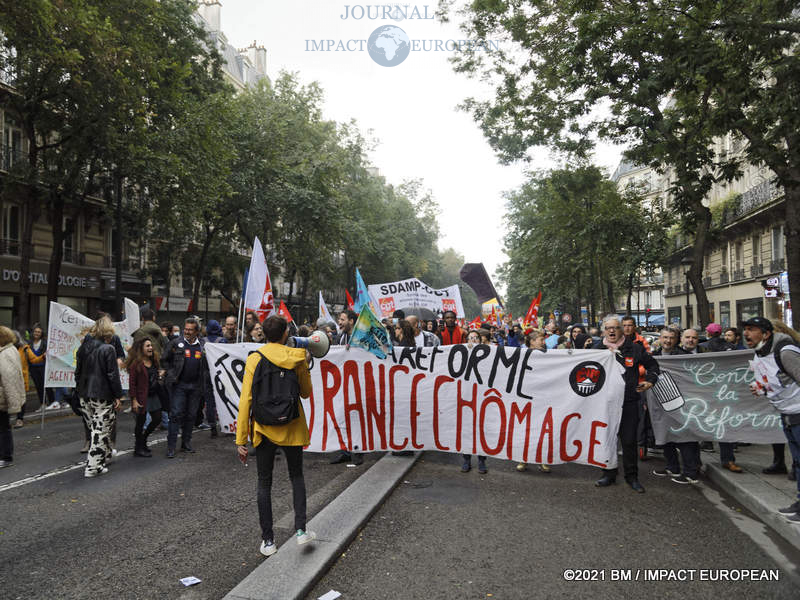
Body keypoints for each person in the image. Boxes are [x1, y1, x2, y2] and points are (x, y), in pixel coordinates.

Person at [236, 315, 316, 556]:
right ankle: (301, 530)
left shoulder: (254, 359)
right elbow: (306, 393)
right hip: (292, 427)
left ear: (265, 334)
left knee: (264, 482)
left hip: (263, 429)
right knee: (296, 476)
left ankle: (268, 541)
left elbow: (245, 401)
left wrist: (241, 439)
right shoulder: (297, 357)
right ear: (285, 334)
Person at [594, 314, 659, 493]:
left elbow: (653, 366)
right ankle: (608, 473)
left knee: (629, 441)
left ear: (622, 329)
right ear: (604, 331)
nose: (612, 331)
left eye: (616, 327)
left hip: (628, 403)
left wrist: (650, 381)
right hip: (605, 404)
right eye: (608, 328)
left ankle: (632, 477)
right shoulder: (597, 350)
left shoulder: (634, 349)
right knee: (607, 440)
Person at [744, 317, 800, 521]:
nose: (746, 334)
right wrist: (761, 388)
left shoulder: (785, 352)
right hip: (788, 413)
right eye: (746, 329)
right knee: (798, 462)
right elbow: (775, 380)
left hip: (798, 412)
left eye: (751, 330)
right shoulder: (760, 352)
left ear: (766, 334)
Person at [682, 328, 742, 472]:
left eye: (694, 338)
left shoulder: (706, 352)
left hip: (709, 395)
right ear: (682, 339)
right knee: (692, 431)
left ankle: (728, 460)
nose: (691, 340)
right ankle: (695, 462)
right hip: (689, 398)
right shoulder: (676, 354)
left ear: (699, 339)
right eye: (688, 337)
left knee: (722, 425)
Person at [650, 329, 701, 484]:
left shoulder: (684, 356)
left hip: (681, 403)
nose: (668, 341)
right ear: (660, 338)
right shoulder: (653, 356)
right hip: (660, 402)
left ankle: (690, 472)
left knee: (685, 438)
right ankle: (672, 467)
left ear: (677, 340)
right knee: (665, 435)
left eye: (672, 338)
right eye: (665, 337)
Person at [74, 316, 123, 477]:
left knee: (94, 428)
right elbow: (112, 375)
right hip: (101, 394)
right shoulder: (108, 349)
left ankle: (103, 458)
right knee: (100, 430)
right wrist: (118, 395)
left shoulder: (84, 347)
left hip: (84, 393)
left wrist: (78, 389)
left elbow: (78, 372)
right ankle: (93, 467)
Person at [162, 317, 206, 458]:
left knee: (191, 416)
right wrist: (170, 373)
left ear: (197, 331)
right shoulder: (175, 343)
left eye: (190, 330)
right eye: (185, 329)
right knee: (175, 415)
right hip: (179, 385)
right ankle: (171, 446)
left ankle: (186, 443)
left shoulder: (203, 345)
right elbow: (164, 360)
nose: (186, 332)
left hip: (196, 386)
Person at [330, 310, 363, 465]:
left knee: (356, 418)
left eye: (342, 319)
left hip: (359, 384)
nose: (340, 322)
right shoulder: (340, 337)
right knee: (343, 417)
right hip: (343, 383)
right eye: (339, 319)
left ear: (351, 321)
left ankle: (358, 451)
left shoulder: (361, 336)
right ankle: (345, 451)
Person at [517, 330, 550, 473]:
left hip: (542, 396)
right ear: (531, 341)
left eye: (543, 340)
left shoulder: (550, 355)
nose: (543, 342)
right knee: (525, 428)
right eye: (540, 340)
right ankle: (523, 458)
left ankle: (542, 459)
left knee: (542, 428)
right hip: (525, 396)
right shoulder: (520, 355)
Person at [125, 338, 165, 457]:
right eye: (147, 346)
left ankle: (143, 440)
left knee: (157, 418)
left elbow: (154, 376)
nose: (150, 348)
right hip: (141, 397)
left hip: (153, 395)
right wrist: (134, 400)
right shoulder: (136, 364)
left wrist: (160, 375)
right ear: (141, 349)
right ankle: (138, 448)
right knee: (140, 423)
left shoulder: (154, 361)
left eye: (151, 346)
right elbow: (132, 383)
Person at [0, 326, 26, 468]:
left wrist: (14, 404)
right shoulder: (10, 351)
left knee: (3, 427)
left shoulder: (5, 354)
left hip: (1, 397)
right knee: (3, 427)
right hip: (3, 395)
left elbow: (9, 380)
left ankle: (5, 456)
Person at [21, 324, 53, 424]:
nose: (37, 333)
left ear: (41, 334)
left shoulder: (44, 343)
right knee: (38, 385)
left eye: (39, 332)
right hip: (33, 368)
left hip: (43, 366)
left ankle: (52, 402)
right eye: (35, 332)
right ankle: (42, 404)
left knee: (46, 385)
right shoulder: (28, 343)